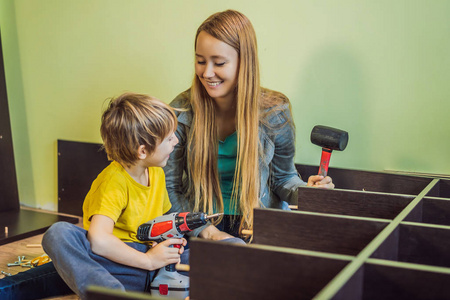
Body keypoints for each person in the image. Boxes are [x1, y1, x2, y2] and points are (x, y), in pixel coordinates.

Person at [164, 10, 334, 240]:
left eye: (219, 62)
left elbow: (283, 179)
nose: (207, 72)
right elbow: (167, 187)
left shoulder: (275, 111)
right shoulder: (180, 111)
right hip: (199, 226)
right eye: (200, 61)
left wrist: (309, 192)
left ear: (245, 62)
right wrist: (204, 231)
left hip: (257, 228)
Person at [0, 92, 186, 299]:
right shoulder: (113, 182)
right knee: (58, 233)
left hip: (146, 268)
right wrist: (149, 261)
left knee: (209, 254)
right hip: (113, 265)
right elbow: (99, 241)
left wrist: (170, 243)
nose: (176, 141)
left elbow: (160, 221)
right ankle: (107, 294)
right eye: (169, 138)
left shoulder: (157, 173)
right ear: (142, 151)